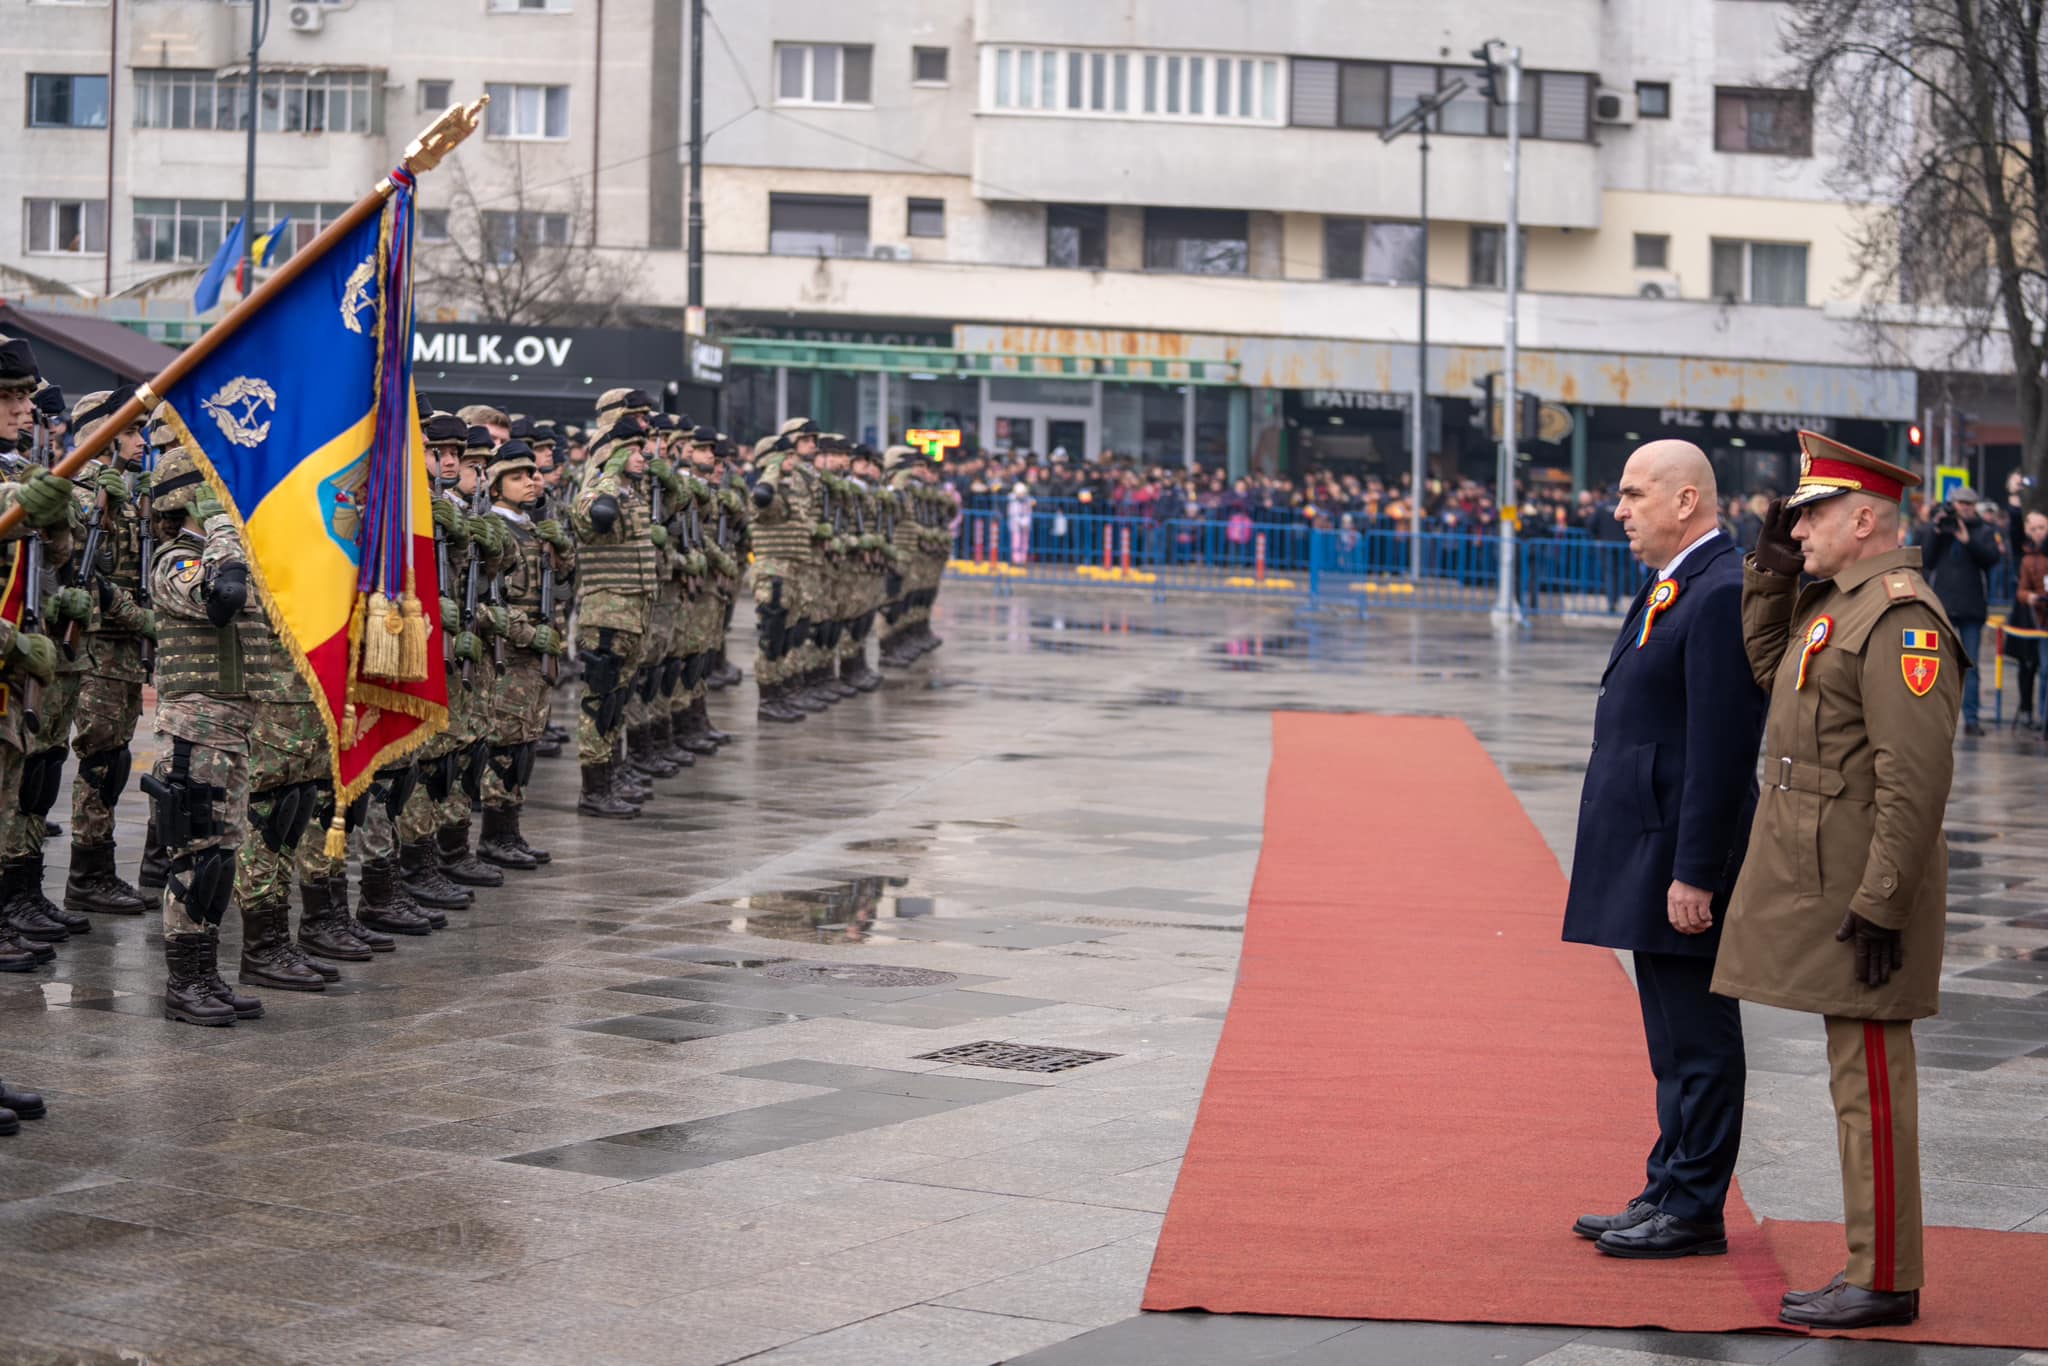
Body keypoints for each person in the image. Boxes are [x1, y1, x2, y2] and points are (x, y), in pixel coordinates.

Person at [1717, 431, 1961, 1330]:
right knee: (1851, 1082)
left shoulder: (1900, 619)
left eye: (1812, 512)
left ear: (1865, 518)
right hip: (1826, 878)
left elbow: (1915, 779)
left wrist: (1885, 901)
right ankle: (1872, 1265)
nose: (1796, 522)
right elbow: (1770, 671)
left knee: (1872, 1089)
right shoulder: (1837, 604)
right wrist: (1773, 575)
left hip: (1862, 890)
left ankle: (1886, 1277)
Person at [1562, 441, 1767, 1259]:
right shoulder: (1674, 580)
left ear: (1687, 502)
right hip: (1651, 842)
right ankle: (1667, 1183)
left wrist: (1696, 872)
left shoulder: (1718, 590)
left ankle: (1694, 1207)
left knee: (1699, 1035)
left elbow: (1721, 746)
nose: (1620, 509)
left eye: (1634, 494)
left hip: (1681, 854)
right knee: (1669, 1039)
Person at [1912, 486, 2000, 736]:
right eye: (1960, 504)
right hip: (1943, 606)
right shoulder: (1939, 529)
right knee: (1937, 666)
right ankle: (1936, 719)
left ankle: (1971, 719)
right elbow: (1925, 559)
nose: (1964, 508)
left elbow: (1992, 559)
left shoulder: (1983, 530)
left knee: (1970, 667)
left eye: (1969, 505)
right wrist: (1936, 530)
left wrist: (1967, 540)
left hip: (1972, 607)